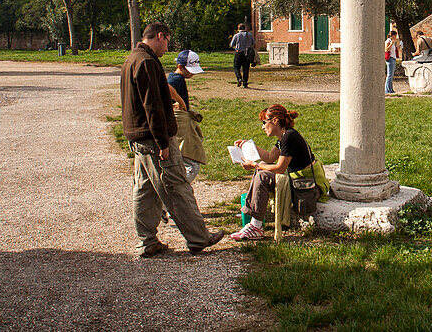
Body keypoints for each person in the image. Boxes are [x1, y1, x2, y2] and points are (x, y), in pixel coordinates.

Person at [120, 22, 224, 257]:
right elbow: (153, 106)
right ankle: (199, 238)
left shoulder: (132, 59)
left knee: (145, 190)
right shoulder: (146, 62)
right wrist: (163, 142)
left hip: (138, 136)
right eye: (167, 41)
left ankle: (147, 241)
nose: (166, 48)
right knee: (176, 187)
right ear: (160, 36)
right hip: (154, 138)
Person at [231, 104, 320, 241]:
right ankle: (254, 221)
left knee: (262, 175)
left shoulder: (288, 137)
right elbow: (269, 157)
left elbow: (279, 168)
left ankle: (256, 226)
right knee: (261, 169)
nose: (262, 127)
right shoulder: (285, 136)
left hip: (302, 184)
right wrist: (248, 145)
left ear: (275, 121)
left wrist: (255, 165)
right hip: (296, 179)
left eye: (264, 122)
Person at [168, 49, 206, 179]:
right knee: (191, 165)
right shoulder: (176, 79)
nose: (192, 74)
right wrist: (180, 101)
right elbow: (167, 87)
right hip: (180, 123)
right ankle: (179, 189)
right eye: (190, 70)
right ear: (180, 66)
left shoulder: (178, 78)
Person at [230, 23, 254, 88]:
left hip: (239, 52)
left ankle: (239, 78)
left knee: (236, 67)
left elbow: (232, 44)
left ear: (238, 28)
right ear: (245, 28)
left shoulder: (237, 35)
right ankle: (245, 82)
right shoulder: (249, 35)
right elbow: (253, 43)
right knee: (246, 68)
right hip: (247, 53)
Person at [384, 29, 402, 95]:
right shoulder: (388, 41)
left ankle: (390, 89)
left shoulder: (392, 41)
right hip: (390, 59)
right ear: (393, 35)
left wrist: (398, 46)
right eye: (395, 35)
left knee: (391, 75)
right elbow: (386, 49)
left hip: (393, 58)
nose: (396, 37)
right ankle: (387, 90)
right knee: (389, 75)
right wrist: (391, 43)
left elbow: (394, 50)